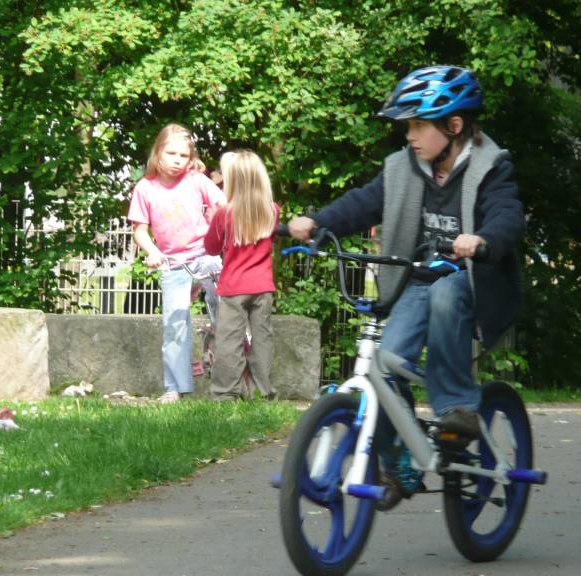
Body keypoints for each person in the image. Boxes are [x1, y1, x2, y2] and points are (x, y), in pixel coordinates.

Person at [287, 65, 525, 506]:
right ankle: (400, 462)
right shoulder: (403, 168)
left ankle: (458, 407)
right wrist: (319, 222)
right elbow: (364, 203)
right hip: (416, 280)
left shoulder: (491, 166)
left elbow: (507, 213)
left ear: (454, 126)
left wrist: (484, 239)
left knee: (445, 294)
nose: (409, 135)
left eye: (418, 125)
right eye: (407, 126)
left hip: (470, 280)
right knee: (386, 362)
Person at [128, 123, 226, 404]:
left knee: (226, 316)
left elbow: (222, 206)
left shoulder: (196, 180)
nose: (176, 161)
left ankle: (231, 382)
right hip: (172, 262)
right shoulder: (145, 188)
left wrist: (216, 220)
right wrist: (152, 251)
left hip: (205, 255)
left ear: (190, 157)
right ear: (158, 152)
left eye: (183, 156)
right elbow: (139, 230)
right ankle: (176, 387)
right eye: (170, 153)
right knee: (174, 326)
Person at [203, 150, 279, 401]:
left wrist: (212, 221)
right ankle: (263, 392)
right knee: (263, 340)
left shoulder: (225, 214)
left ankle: (226, 394)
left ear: (233, 180)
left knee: (229, 342)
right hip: (263, 286)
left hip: (234, 287)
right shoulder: (272, 210)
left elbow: (211, 247)